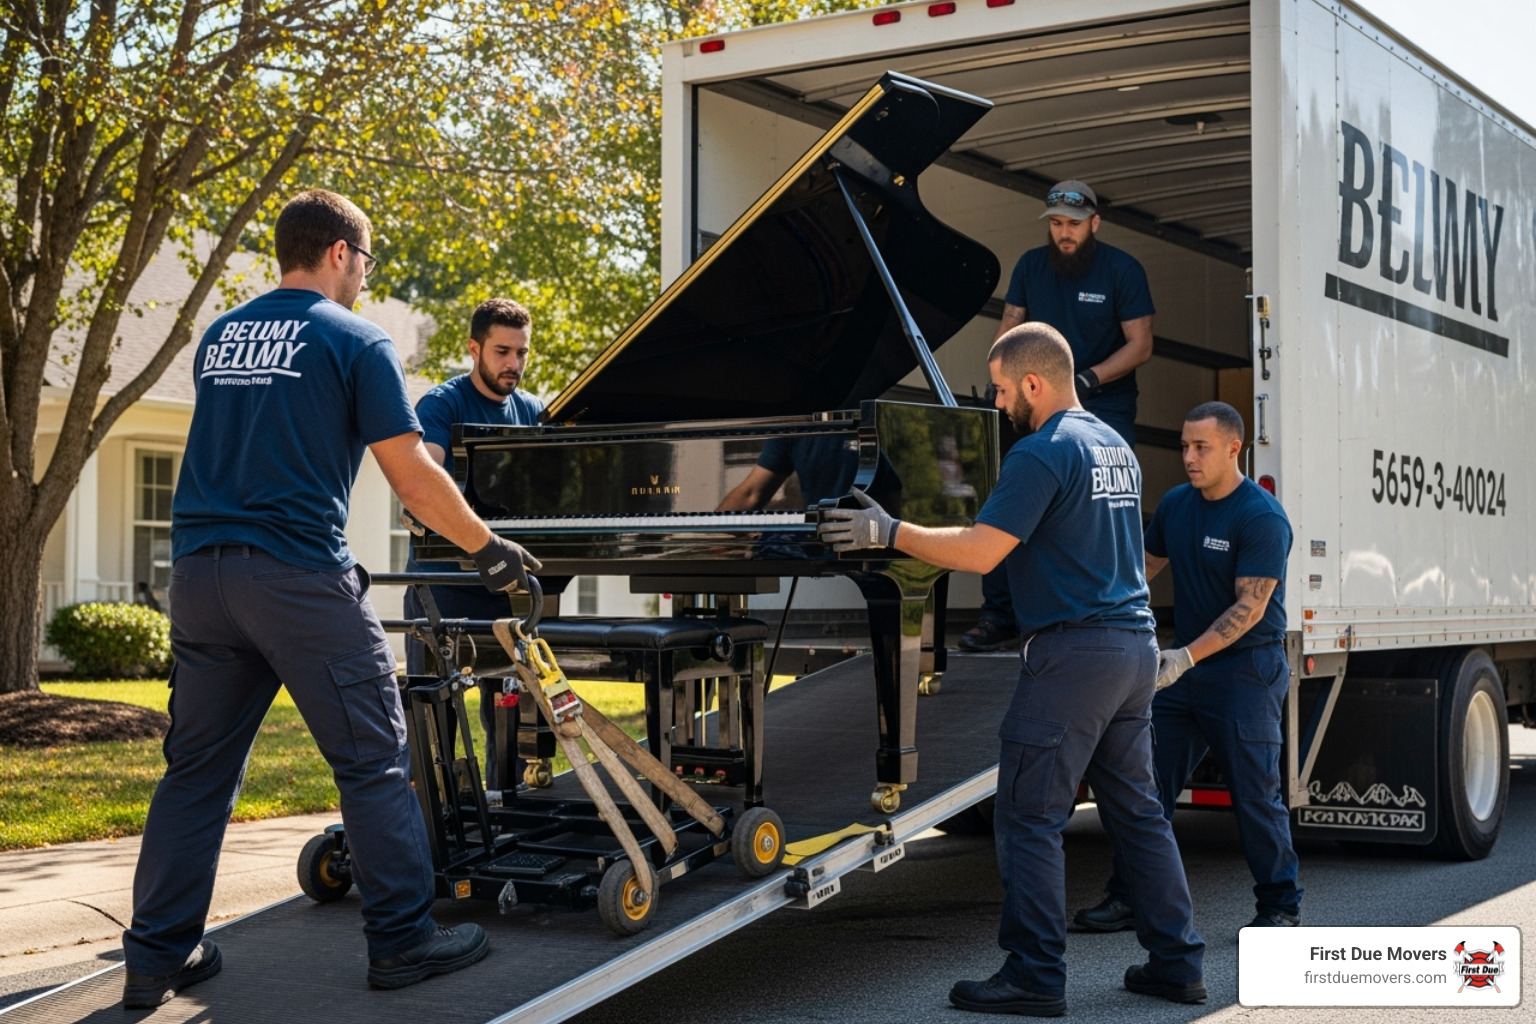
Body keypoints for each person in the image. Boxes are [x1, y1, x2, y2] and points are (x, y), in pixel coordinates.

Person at [121, 190, 540, 1008]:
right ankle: (404, 939)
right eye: (366, 261)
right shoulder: (355, 338)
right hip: (297, 576)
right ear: (341, 253)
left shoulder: (221, 335)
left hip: (199, 575)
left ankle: (156, 958)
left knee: (195, 773)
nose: (366, 277)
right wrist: (489, 550)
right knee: (375, 758)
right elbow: (413, 477)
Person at [820, 323, 1205, 1017]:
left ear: (1033, 381)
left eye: (1001, 389)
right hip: (1133, 651)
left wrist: (890, 532)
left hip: (1074, 658)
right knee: (1140, 816)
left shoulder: (1043, 451)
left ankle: (1034, 974)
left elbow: (980, 552)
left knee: (1028, 815)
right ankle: (1177, 964)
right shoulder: (1113, 446)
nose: (997, 404)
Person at [1074, 401, 1302, 935]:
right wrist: (1092, 613)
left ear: (1233, 448)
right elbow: (1141, 570)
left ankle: (1280, 906)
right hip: (1185, 669)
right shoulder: (1177, 505)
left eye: (1201, 447)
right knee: (1145, 787)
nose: (1189, 457)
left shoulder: (1261, 517)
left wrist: (1185, 657)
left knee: (1255, 794)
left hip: (1246, 670)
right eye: (1184, 446)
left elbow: (1250, 609)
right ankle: (1130, 896)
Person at [960, 180, 1154, 654]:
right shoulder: (1031, 265)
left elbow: (1141, 345)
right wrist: (999, 382)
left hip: (1104, 403)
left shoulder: (1123, 270)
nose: (1064, 233)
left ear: (1095, 223)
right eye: (1057, 224)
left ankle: (1105, 607)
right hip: (1035, 399)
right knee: (1006, 497)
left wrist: (1089, 379)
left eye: (1074, 224)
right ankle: (999, 615)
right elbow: (1009, 327)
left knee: (1102, 501)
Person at [402, 298, 544, 789]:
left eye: (522, 353)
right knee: (435, 715)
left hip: (506, 588)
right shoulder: (442, 404)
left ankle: (508, 805)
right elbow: (426, 476)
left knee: (510, 714)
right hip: (444, 586)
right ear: (474, 348)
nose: (513, 363)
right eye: (502, 351)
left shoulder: (533, 411)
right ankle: (429, 817)